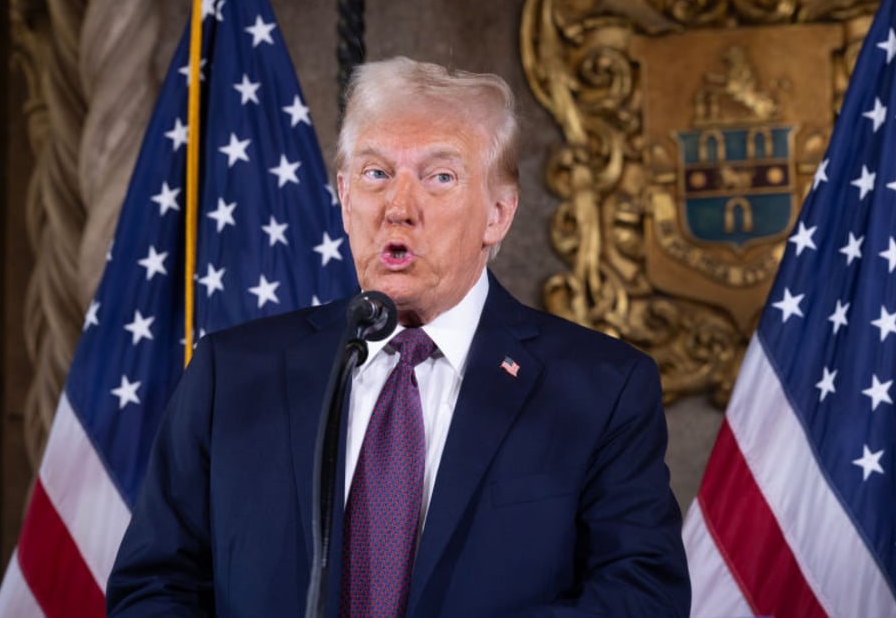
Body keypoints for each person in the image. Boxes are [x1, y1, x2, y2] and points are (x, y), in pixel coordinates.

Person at [107, 57, 690, 617]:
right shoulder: (233, 373)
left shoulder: (600, 389)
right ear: (343, 197)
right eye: (376, 173)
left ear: (498, 215)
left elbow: (641, 595)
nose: (398, 207)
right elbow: (155, 584)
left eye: (439, 177)